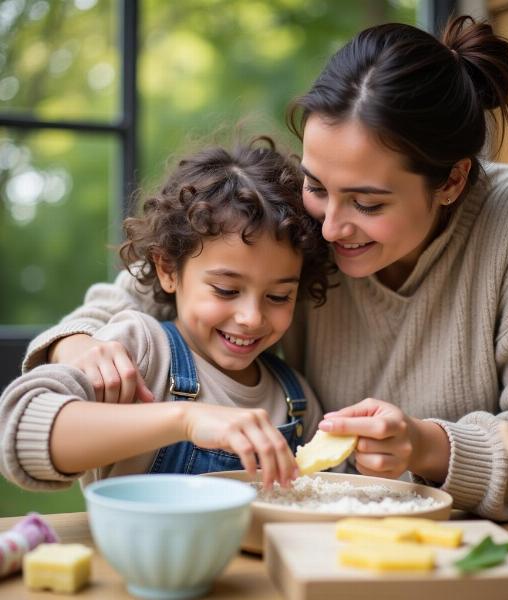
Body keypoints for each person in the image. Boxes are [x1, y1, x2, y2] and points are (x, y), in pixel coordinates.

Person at [5, 15, 508, 520]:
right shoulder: (295, 218)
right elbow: (146, 291)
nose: (330, 226)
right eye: (317, 185)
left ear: (451, 181)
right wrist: (80, 345)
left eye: (367, 203)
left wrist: (426, 445)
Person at [0, 137, 332, 492]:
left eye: (279, 296)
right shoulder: (141, 349)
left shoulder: (296, 400)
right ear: (168, 270)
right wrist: (186, 419)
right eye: (226, 290)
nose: (251, 317)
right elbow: (18, 437)